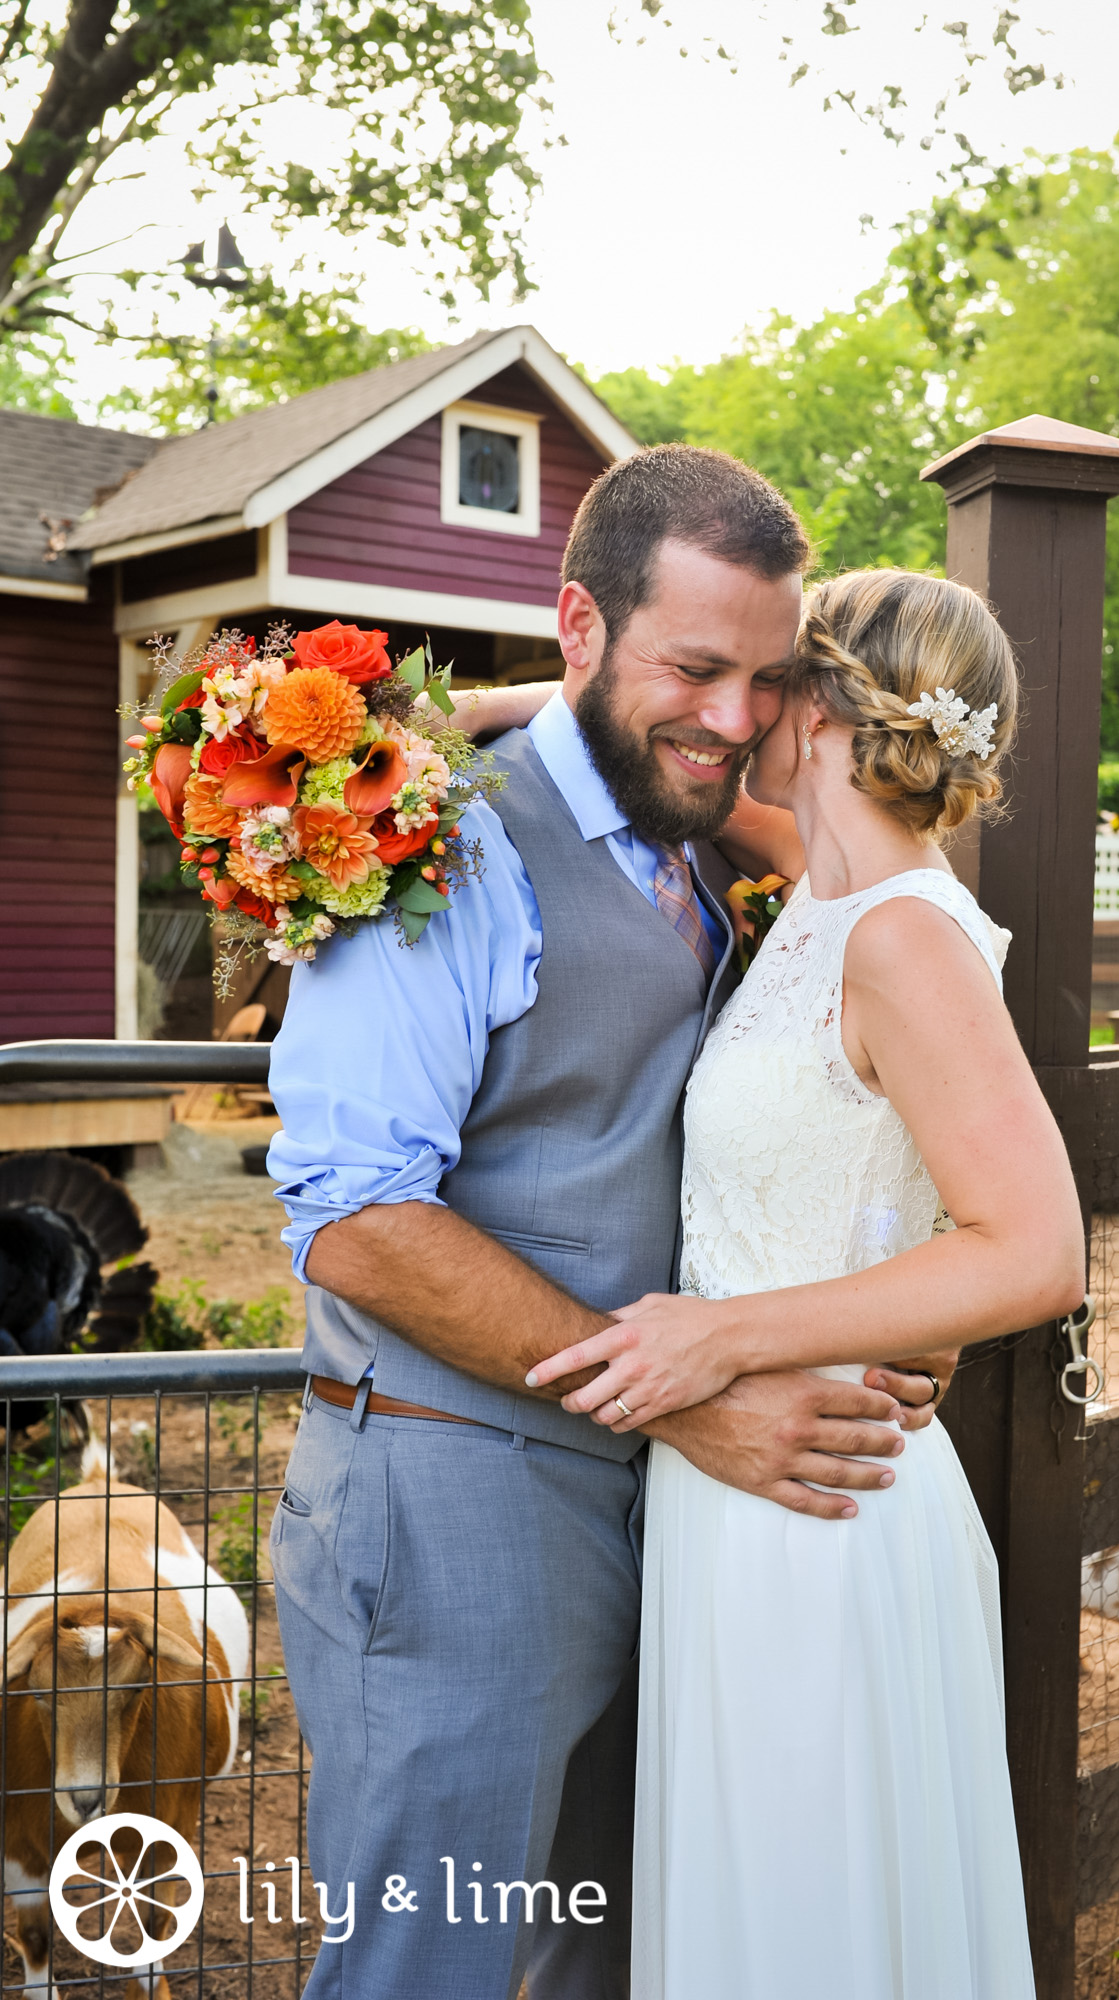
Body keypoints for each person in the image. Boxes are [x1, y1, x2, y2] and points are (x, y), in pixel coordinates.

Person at [265, 447, 955, 2000]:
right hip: (449, 1513)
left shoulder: (689, 838)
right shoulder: (438, 846)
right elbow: (360, 1218)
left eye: (768, 680)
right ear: (580, 626)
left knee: (612, 1964)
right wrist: (691, 1394)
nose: (733, 718)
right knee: (421, 1974)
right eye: (694, 668)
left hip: (643, 1519)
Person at [525, 567, 1087, 1998]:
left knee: (809, 1918)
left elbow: (1033, 1249)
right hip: (736, 1495)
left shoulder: (904, 935)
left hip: (821, 1511)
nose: (734, 709)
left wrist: (721, 1336)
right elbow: (645, 739)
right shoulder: (828, 886)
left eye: (771, 678)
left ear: (824, 705)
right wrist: (468, 710)